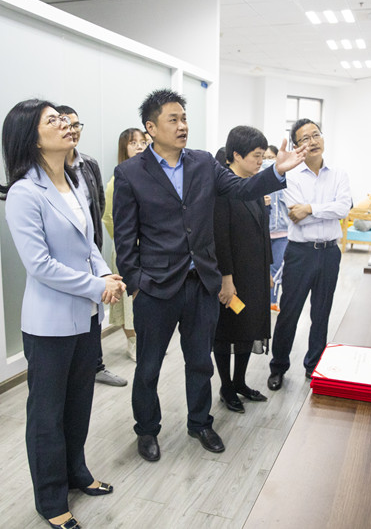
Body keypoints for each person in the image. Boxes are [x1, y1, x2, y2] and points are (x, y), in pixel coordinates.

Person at [112, 89, 307, 462]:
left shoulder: (203, 162)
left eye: (184, 118)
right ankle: (147, 429)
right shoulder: (130, 173)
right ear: (151, 127)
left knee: (200, 361)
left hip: (201, 282)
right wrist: (136, 284)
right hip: (156, 287)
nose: (182, 126)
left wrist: (276, 171)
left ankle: (200, 422)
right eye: (173, 119)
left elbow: (241, 188)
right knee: (149, 367)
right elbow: (124, 238)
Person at [0, 99, 125, 529]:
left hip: (85, 316)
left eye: (65, 119)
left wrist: (104, 272)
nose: (66, 124)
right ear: (31, 138)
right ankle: (50, 499)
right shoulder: (24, 193)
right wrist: (97, 286)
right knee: (47, 415)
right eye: (53, 121)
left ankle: (77, 473)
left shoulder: (74, 180)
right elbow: (40, 265)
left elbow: (88, 241)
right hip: (49, 322)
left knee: (78, 404)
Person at [268, 119, 352, 391]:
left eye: (316, 135)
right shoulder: (291, 176)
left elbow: (343, 209)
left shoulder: (339, 174)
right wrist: (321, 210)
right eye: (305, 138)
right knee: (289, 312)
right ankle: (278, 367)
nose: (312, 141)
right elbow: (296, 215)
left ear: (322, 138)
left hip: (329, 253)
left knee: (321, 313)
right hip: (300, 253)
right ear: (296, 146)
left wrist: (311, 209)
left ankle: (314, 365)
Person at [55, 105, 126, 388]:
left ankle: (95, 366)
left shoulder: (89, 164)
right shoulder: (47, 173)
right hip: (64, 257)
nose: (72, 130)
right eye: (65, 124)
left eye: (76, 125)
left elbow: (98, 205)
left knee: (94, 314)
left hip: (91, 248)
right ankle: (74, 369)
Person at [213, 127, 272, 413]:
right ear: (236, 155)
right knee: (227, 331)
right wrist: (227, 279)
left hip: (254, 273)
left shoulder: (253, 185)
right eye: (256, 156)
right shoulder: (223, 189)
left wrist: (267, 269)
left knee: (248, 329)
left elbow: (262, 232)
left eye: (262, 156)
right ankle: (226, 386)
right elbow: (220, 238)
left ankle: (240, 381)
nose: (261, 161)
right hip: (232, 276)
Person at [102, 128, 148, 362]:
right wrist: (128, 242)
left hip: (149, 250)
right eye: (133, 143)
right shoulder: (117, 180)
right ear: (124, 148)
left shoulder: (152, 176)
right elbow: (108, 218)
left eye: (143, 142)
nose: (139, 146)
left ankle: (146, 340)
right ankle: (132, 342)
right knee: (129, 300)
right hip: (127, 250)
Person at [264, 144, 289, 311]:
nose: (267, 161)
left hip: (282, 232)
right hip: (263, 233)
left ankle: (272, 300)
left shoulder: (284, 180)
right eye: (264, 158)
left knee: (277, 268)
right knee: (264, 269)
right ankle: (265, 300)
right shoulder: (257, 180)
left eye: (271, 158)